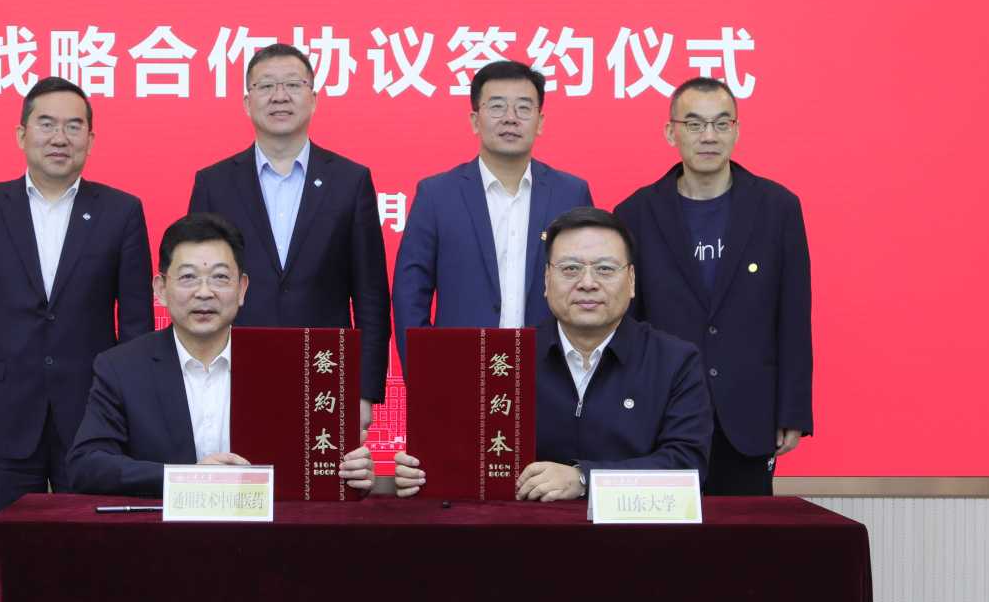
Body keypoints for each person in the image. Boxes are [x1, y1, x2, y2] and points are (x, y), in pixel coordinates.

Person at [0, 76, 154, 533]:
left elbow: (137, 327)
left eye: (74, 127)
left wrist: (131, 411)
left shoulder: (122, 212)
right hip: (1, 416)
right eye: (47, 124)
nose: (60, 138)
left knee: (96, 550)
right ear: (22, 134)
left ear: (90, 139)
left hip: (94, 417)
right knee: (8, 548)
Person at [392, 207, 711, 500]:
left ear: (630, 281)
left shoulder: (675, 361)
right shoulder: (504, 359)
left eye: (605, 269)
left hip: (633, 537)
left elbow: (687, 467)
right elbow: (463, 457)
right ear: (546, 280)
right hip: (524, 536)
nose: (587, 283)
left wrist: (585, 479)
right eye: (570, 269)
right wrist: (422, 470)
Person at [67, 213, 375, 499]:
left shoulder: (286, 364)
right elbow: (86, 465)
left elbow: (315, 473)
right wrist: (188, 478)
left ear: (242, 289)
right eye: (188, 277)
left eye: (220, 277)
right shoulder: (121, 368)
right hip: (163, 534)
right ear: (160, 289)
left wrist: (352, 474)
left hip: (265, 532)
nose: (204, 292)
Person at [613, 78, 812, 495]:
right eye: (694, 124)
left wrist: (792, 409)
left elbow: (793, 314)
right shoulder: (635, 213)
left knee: (746, 532)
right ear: (671, 132)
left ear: (736, 131)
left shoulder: (777, 208)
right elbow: (627, 323)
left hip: (749, 411)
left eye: (722, 124)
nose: (709, 136)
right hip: (662, 410)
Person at [188, 42, 390, 435]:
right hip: (231, 372)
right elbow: (197, 289)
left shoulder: (350, 182)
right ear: (247, 102)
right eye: (266, 86)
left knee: (321, 476)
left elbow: (371, 297)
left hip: (326, 372)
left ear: (313, 99)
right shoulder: (214, 183)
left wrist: (365, 392)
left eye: (293, 85)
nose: (279, 96)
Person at [390, 60, 592, 368]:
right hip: (460, 369)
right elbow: (410, 294)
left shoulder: (571, 193)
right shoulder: (437, 195)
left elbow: (589, 286)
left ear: (540, 121)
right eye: (497, 106)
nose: (510, 118)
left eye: (523, 108)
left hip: (553, 372)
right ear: (475, 120)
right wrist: (426, 371)